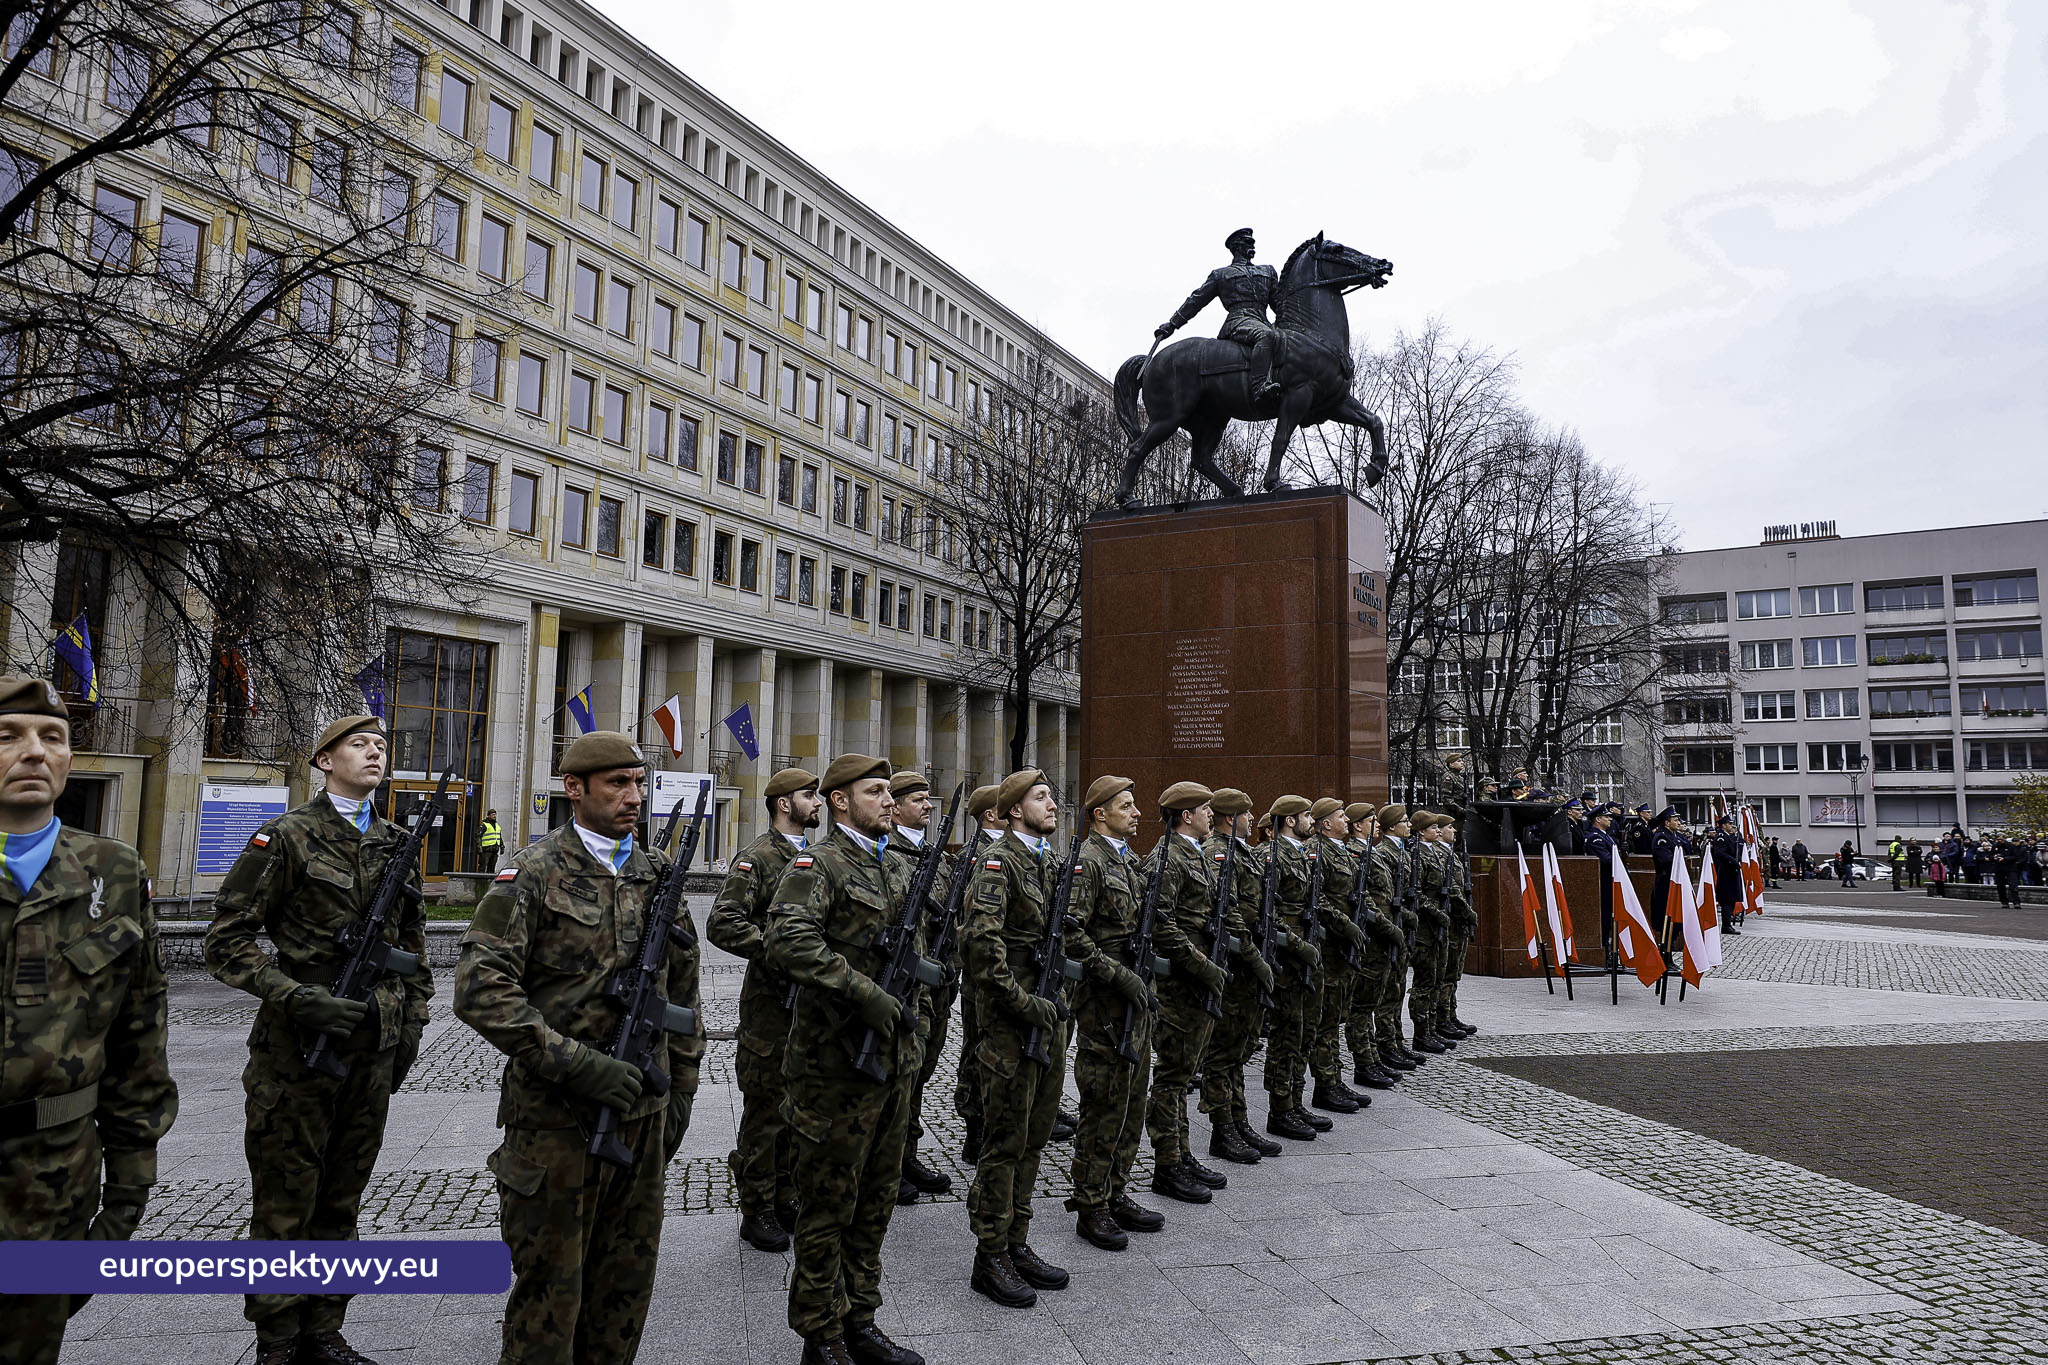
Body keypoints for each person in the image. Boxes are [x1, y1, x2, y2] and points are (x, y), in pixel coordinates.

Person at [455, 731, 703, 1365]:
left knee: (625, 1290)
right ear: (575, 789)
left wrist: (681, 1094)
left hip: (640, 1116)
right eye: (617, 783)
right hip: (554, 1124)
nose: (634, 796)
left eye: (640, 783)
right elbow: (481, 991)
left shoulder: (658, 877)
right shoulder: (533, 872)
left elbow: (685, 1000)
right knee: (550, 1296)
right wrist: (581, 1065)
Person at [207, 713, 431, 1365]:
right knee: (285, 1196)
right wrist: (295, 995)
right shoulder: (285, 837)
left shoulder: (395, 841)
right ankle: (277, 1336)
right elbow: (226, 941)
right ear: (324, 759)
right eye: (359, 743)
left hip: (370, 1051)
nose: (375, 752)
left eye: (382, 744)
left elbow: (413, 944)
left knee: (341, 1193)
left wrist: (409, 1020)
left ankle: (325, 1327)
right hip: (296, 1052)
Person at [0, 675, 176, 1365]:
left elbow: (140, 1040)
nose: (34, 751)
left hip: (56, 1179)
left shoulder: (114, 872)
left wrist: (130, 1188)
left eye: (53, 737)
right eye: (9, 736)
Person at [762, 755, 928, 1365]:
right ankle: (819, 1333)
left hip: (892, 1064)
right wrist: (864, 993)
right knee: (829, 1205)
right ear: (838, 801)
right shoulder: (819, 864)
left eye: (890, 791)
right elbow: (789, 940)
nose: (890, 800)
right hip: (833, 1068)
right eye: (876, 791)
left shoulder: (893, 866)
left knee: (876, 1199)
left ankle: (861, 1317)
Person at [960, 768, 1076, 1308]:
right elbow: (983, 950)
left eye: (1052, 796)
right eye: (1040, 797)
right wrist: (1027, 1005)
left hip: (1047, 1019)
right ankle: (990, 1254)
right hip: (1011, 1025)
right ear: (1011, 811)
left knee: (1035, 1134)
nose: (1052, 804)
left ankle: (1017, 1239)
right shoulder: (996, 864)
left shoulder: (1048, 862)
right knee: (1004, 1141)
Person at [707, 766, 820, 1253]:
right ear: (782, 804)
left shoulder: (814, 857)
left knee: (798, 1105)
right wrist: (778, 949)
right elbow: (723, 922)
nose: (816, 802)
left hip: (809, 1005)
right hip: (770, 1007)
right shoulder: (758, 857)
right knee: (765, 1109)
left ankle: (787, 1193)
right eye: (807, 795)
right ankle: (758, 1207)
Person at [1065, 776, 1166, 1251]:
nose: (1137, 812)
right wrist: (1117, 974)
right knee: (1104, 1103)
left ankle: (1117, 1190)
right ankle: (1090, 1203)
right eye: (1127, 806)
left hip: (1136, 998)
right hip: (1105, 1003)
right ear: (1100, 814)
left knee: (1132, 1099)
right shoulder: (1089, 864)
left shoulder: (1126, 862)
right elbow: (1070, 935)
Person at [1142, 781, 1232, 1201]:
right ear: (1185, 816)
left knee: (1182, 1074)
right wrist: (1202, 967)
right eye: (1204, 808)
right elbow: (1160, 924)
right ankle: (1166, 1164)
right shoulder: (1167, 858)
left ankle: (1181, 1154)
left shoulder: (1195, 855)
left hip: (1198, 980)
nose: (1210, 814)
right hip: (1179, 984)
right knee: (1172, 1074)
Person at [881, 768, 957, 1208]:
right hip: (909, 982)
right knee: (902, 1074)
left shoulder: (933, 855)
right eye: (918, 800)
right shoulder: (891, 854)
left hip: (939, 983)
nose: (928, 806)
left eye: (928, 799)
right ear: (896, 807)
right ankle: (891, 1163)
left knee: (922, 1072)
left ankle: (906, 1154)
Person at [1197, 789, 1278, 1164]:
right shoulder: (1218, 853)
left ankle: (1239, 1120)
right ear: (1231, 817)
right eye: (1247, 813)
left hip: (1248, 962)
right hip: (1233, 963)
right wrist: (1252, 956)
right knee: (1223, 1050)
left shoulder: (1239, 851)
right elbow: (1224, 912)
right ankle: (1222, 1129)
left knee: (1238, 1048)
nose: (1253, 818)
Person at [1256, 795, 1325, 1141]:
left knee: (1303, 1031)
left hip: (1305, 952)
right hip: (1285, 957)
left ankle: (1295, 1100)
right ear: (1288, 820)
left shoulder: (1302, 853)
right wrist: (1299, 946)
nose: (1311, 821)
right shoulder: (1271, 857)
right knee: (1285, 1033)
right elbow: (1266, 914)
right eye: (1305, 816)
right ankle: (1280, 1107)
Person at [1154, 227, 1283, 400]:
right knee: (1266, 336)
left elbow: (1279, 305)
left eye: (1252, 242)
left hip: (1262, 319)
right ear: (1237, 247)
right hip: (1239, 320)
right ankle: (1259, 386)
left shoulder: (1267, 271)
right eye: (1248, 242)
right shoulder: (1221, 275)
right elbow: (1197, 300)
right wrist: (1172, 324)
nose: (1252, 245)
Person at [1306, 798, 1370, 1113]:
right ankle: (1325, 1084)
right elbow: (1317, 899)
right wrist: (1345, 926)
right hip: (1329, 946)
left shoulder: (1340, 851)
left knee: (1336, 1018)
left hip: (1343, 949)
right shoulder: (1317, 853)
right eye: (1340, 816)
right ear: (1326, 823)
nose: (1346, 820)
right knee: (1326, 1019)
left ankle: (1335, 1079)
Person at [953, 783, 1004, 1165]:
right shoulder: (976, 855)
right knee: (976, 1049)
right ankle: (975, 1126)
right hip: (978, 973)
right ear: (990, 814)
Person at [1341, 803, 1403, 1091]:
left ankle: (1372, 1057)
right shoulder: (1355, 854)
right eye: (1370, 820)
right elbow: (1361, 897)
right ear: (1357, 825)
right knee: (1362, 1005)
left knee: (1373, 1000)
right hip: (1370, 936)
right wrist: (1385, 926)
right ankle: (1363, 1062)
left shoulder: (1370, 852)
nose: (1376, 824)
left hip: (1380, 938)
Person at [1371, 806, 1424, 1076]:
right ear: (1391, 826)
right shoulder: (1385, 853)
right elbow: (1386, 896)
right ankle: (1386, 1043)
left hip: (1401, 925)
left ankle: (1396, 1040)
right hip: (1392, 925)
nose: (1408, 825)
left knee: (1399, 986)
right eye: (1404, 821)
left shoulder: (1402, 851)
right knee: (1388, 990)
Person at [1648, 808, 1691, 946]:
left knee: (1675, 922)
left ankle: (1669, 953)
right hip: (1666, 883)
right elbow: (1667, 861)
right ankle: (1665, 955)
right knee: (1666, 920)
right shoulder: (1661, 837)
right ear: (1667, 823)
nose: (1678, 822)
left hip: (1674, 882)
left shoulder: (1672, 835)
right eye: (1675, 820)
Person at [1710, 815, 1744, 935]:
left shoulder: (1728, 836)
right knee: (1727, 899)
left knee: (1731, 899)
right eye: (1729, 824)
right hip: (1726, 871)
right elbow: (1719, 853)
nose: (1731, 826)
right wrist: (1733, 861)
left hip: (1731, 871)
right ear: (1724, 825)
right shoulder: (1721, 837)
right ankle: (1726, 925)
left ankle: (1727, 923)